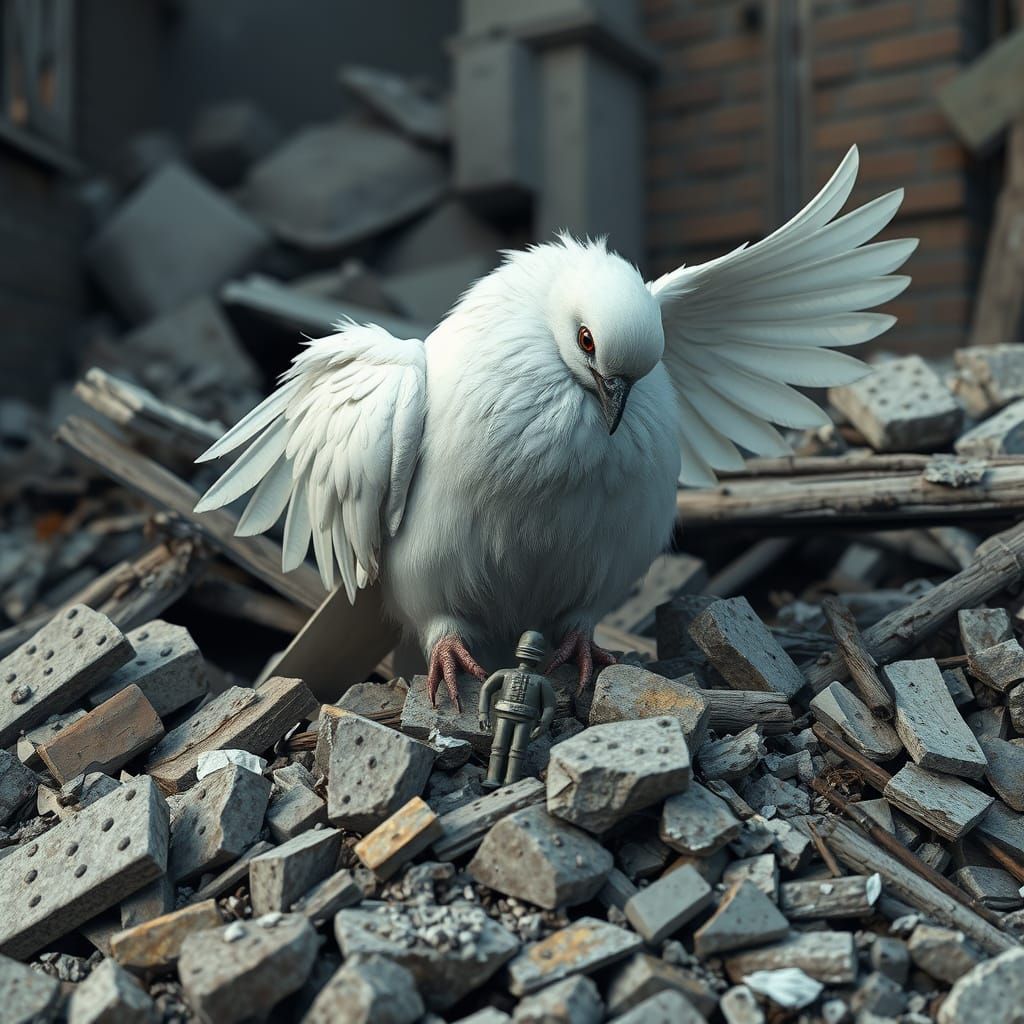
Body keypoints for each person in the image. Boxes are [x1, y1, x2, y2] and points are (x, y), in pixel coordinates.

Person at [478, 630, 557, 788]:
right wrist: (483, 714)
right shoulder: (505, 674)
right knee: (498, 747)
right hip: (504, 716)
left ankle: (510, 782)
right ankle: (493, 778)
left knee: (517, 751)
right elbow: (486, 689)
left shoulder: (541, 682)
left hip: (525, 719)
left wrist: (542, 724)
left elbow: (550, 706)